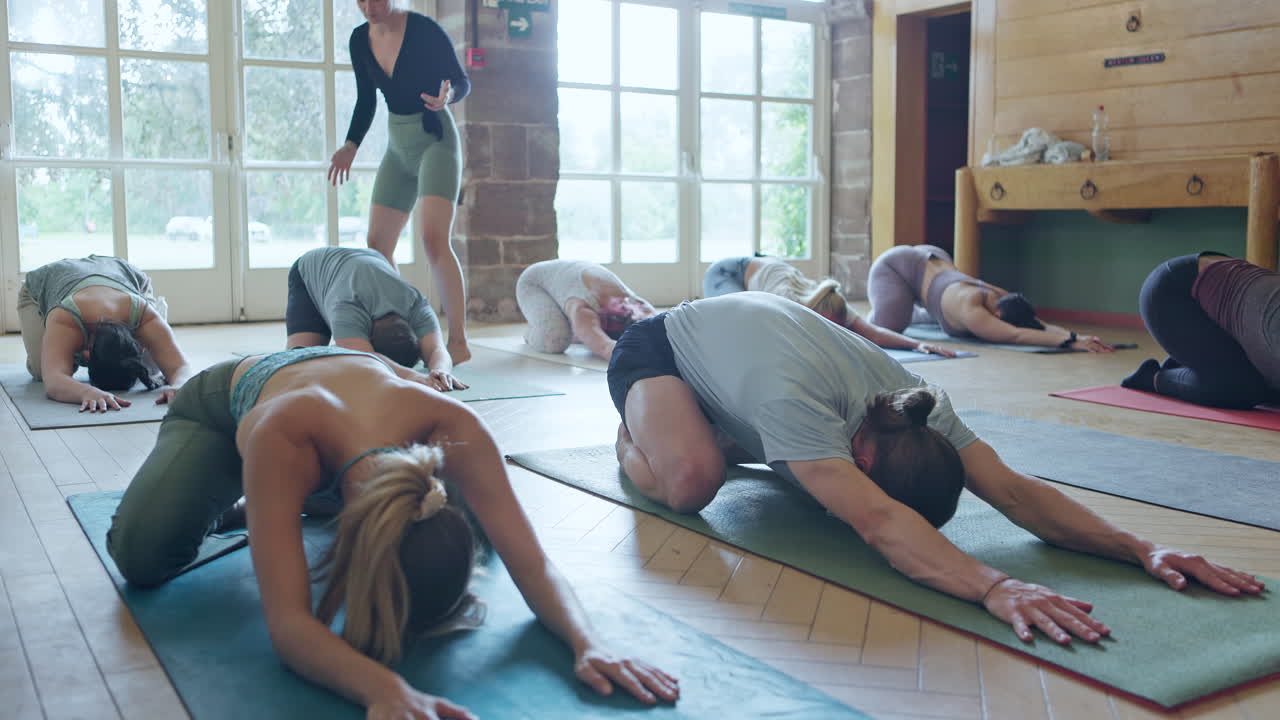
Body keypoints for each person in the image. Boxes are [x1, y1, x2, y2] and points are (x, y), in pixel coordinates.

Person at [610, 292, 1262, 645]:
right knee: (692, 483)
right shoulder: (797, 405)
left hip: (750, 364)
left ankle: (719, 430)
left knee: (799, 474)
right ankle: (634, 439)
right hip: (665, 346)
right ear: (861, 457)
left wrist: (1141, 548)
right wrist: (993, 586)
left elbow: (1012, 490)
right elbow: (878, 522)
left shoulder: (917, 405)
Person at [106, 346, 680, 718]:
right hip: (228, 403)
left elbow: (533, 564)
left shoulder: (451, 426)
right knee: (143, 553)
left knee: (489, 531)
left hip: (369, 396)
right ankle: (255, 503)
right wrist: (383, 689)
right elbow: (288, 626)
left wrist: (589, 642)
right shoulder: (287, 434)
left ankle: (295, 504)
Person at [328, 0, 472, 366]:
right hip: (398, 145)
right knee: (377, 244)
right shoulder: (359, 39)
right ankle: (409, 325)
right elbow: (365, 99)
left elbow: (461, 80)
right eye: (361, 0)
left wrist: (448, 96)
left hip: (435, 141)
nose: (369, 6)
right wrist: (350, 146)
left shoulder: (424, 30)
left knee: (433, 239)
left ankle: (458, 341)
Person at [18, 255, 194, 412]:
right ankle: (157, 340)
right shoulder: (66, 317)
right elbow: (54, 381)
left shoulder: (142, 313)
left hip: (126, 277)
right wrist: (86, 392)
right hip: (46, 283)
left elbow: (180, 366)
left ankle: (159, 332)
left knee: (156, 366)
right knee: (42, 371)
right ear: (86, 354)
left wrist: (180, 386)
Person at [867, 244, 1113, 352]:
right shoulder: (972, 311)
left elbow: (1036, 324)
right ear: (997, 316)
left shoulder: (1001, 296)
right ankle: (847, 311)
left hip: (935, 258)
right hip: (895, 267)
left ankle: (921, 310)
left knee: (928, 317)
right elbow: (1017, 334)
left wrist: (1074, 336)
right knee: (889, 329)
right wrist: (1068, 343)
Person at [286, 246, 466, 392]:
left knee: (341, 357)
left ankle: (343, 345)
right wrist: (411, 376)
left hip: (369, 259)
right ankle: (343, 345)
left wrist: (441, 370)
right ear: (366, 336)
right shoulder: (348, 306)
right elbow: (366, 357)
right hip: (311, 267)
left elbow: (437, 349)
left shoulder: (415, 304)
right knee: (299, 363)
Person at [703, 255, 955, 357]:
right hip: (729, 272)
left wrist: (916, 344)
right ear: (809, 309)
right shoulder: (787, 301)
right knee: (734, 326)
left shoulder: (835, 303)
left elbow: (873, 333)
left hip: (763, 266)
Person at [1121, 252, 1280, 409]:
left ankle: (1196, 364)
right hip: (1174, 291)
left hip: (1223, 291)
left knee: (1265, 389)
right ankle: (1151, 377)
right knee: (1243, 390)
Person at [517, 260, 659, 361]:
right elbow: (607, 348)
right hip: (534, 283)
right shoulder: (584, 309)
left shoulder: (633, 305)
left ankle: (579, 331)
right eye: (628, 311)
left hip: (564, 276)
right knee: (556, 340)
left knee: (584, 333)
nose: (627, 309)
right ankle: (532, 332)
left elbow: (660, 329)